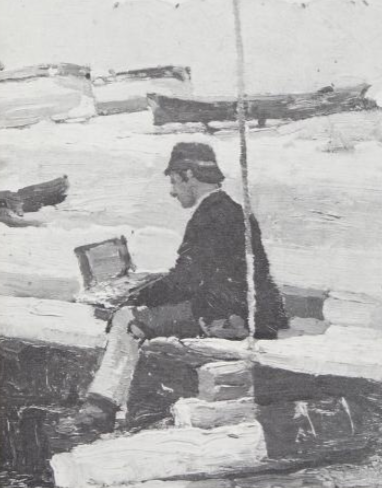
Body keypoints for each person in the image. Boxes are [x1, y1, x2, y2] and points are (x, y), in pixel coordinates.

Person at [57, 142, 288, 441]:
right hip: (242, 309)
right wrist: (151, 288)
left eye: (174, 181)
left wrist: (136, 296)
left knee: (127, 319)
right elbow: (200, 275)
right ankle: (114, 407)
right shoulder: (231, 211)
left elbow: (186, 281)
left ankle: (99, 412)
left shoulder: (210, 216)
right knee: (137, 312)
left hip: (226, 316)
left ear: (189, 175)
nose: (171, 191)